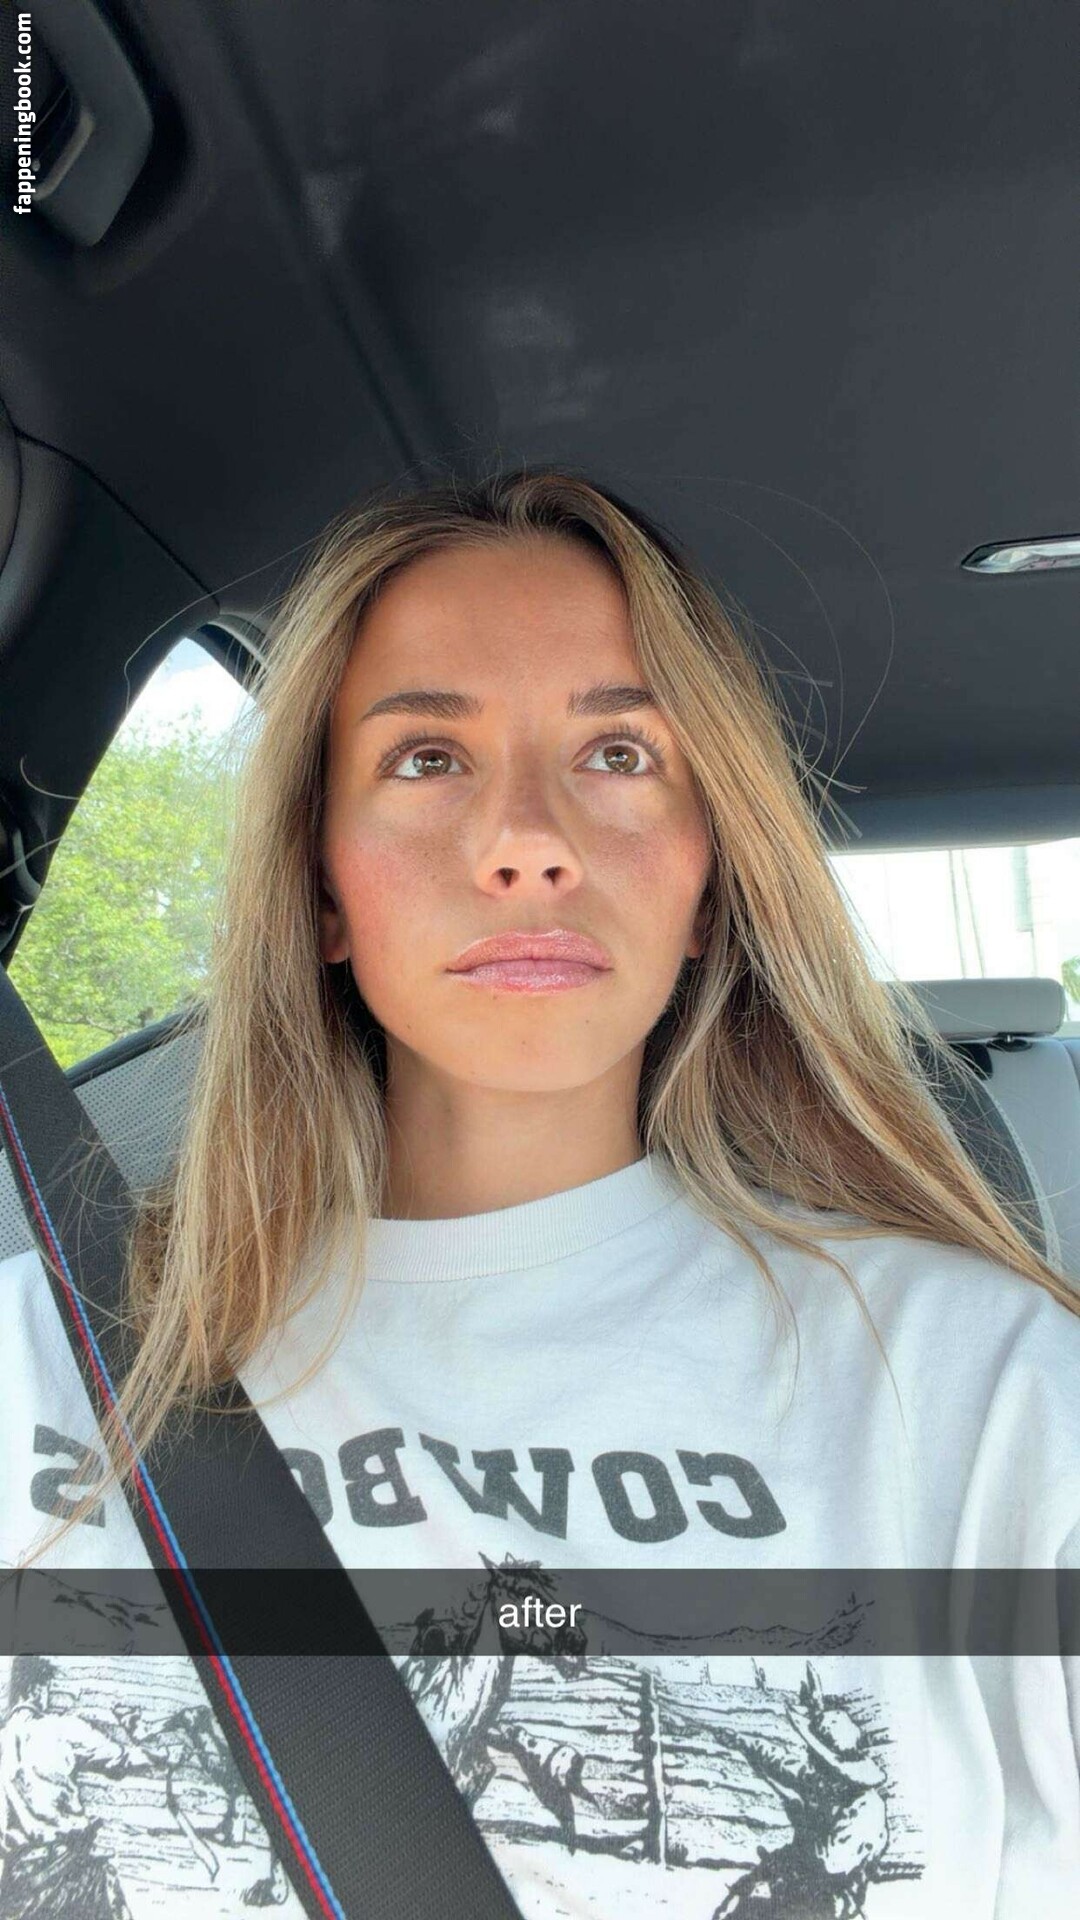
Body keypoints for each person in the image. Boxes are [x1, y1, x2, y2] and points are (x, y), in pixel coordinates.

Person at [1, 467, 1079, 1919]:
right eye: (426, 759)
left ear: (710, 881)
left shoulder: (989, 1391)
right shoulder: (41, 1357)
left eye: (620, 753)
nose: (528, 840)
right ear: (320, 883)